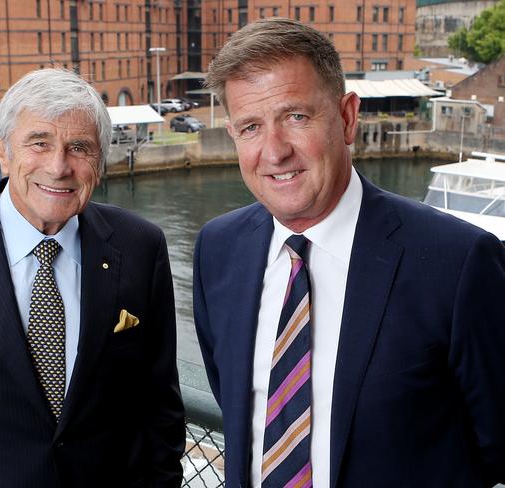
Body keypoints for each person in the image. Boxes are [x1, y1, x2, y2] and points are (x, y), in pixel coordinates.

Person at [193, 18, 505, 488]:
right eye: (251, 126)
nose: (274, 151)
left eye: (296, 116)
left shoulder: (458, 263)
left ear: (347, 117)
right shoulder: (218, 250)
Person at [0, 68, 185, 487]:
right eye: (39, 143)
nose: (59, 166)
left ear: (100, 160)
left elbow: (160, 410)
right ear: (3, 150)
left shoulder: (140, 247)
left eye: (79, 147)